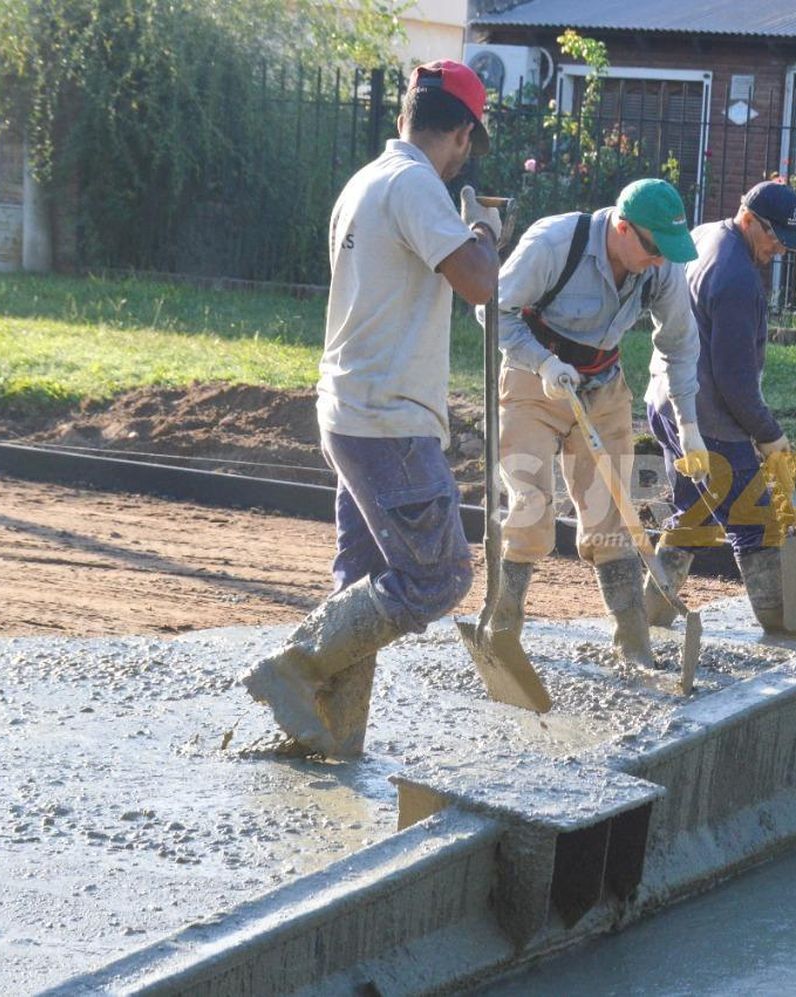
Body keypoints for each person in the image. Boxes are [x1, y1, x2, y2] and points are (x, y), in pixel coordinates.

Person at [240, 60, 502, 757]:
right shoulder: (417, 185)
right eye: (468, 145)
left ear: (405, 115)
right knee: (438, 576)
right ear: (463, 137)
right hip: (390, 417)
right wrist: (484, 235)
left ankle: (330, 735)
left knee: (360, 584)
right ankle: (294, 667)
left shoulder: (364, 182)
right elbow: (478, 284)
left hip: (348, 410)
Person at [481, 178, 708, 669]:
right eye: (654, 250)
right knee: (530, 505)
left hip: (602, 384)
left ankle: (632, 644)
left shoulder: (660, 267)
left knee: (613, 516)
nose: (661, 261)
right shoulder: (554, 243)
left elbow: (679, 343)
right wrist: (542, 363)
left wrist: (687, 422)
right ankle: (501, 630)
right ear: (623, 229)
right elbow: (491, 309)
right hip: (531, 381)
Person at [643, 180, 796, 632]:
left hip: (666, 402)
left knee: (693, 514)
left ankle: (649, 616)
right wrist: (768, 433)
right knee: (754, 525)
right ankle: (783, 628)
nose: (779, 250)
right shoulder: (737, 277)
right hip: (709, 415)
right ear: (749, 219)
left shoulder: (705, 235)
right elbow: (735, 380)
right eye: (774, 237)